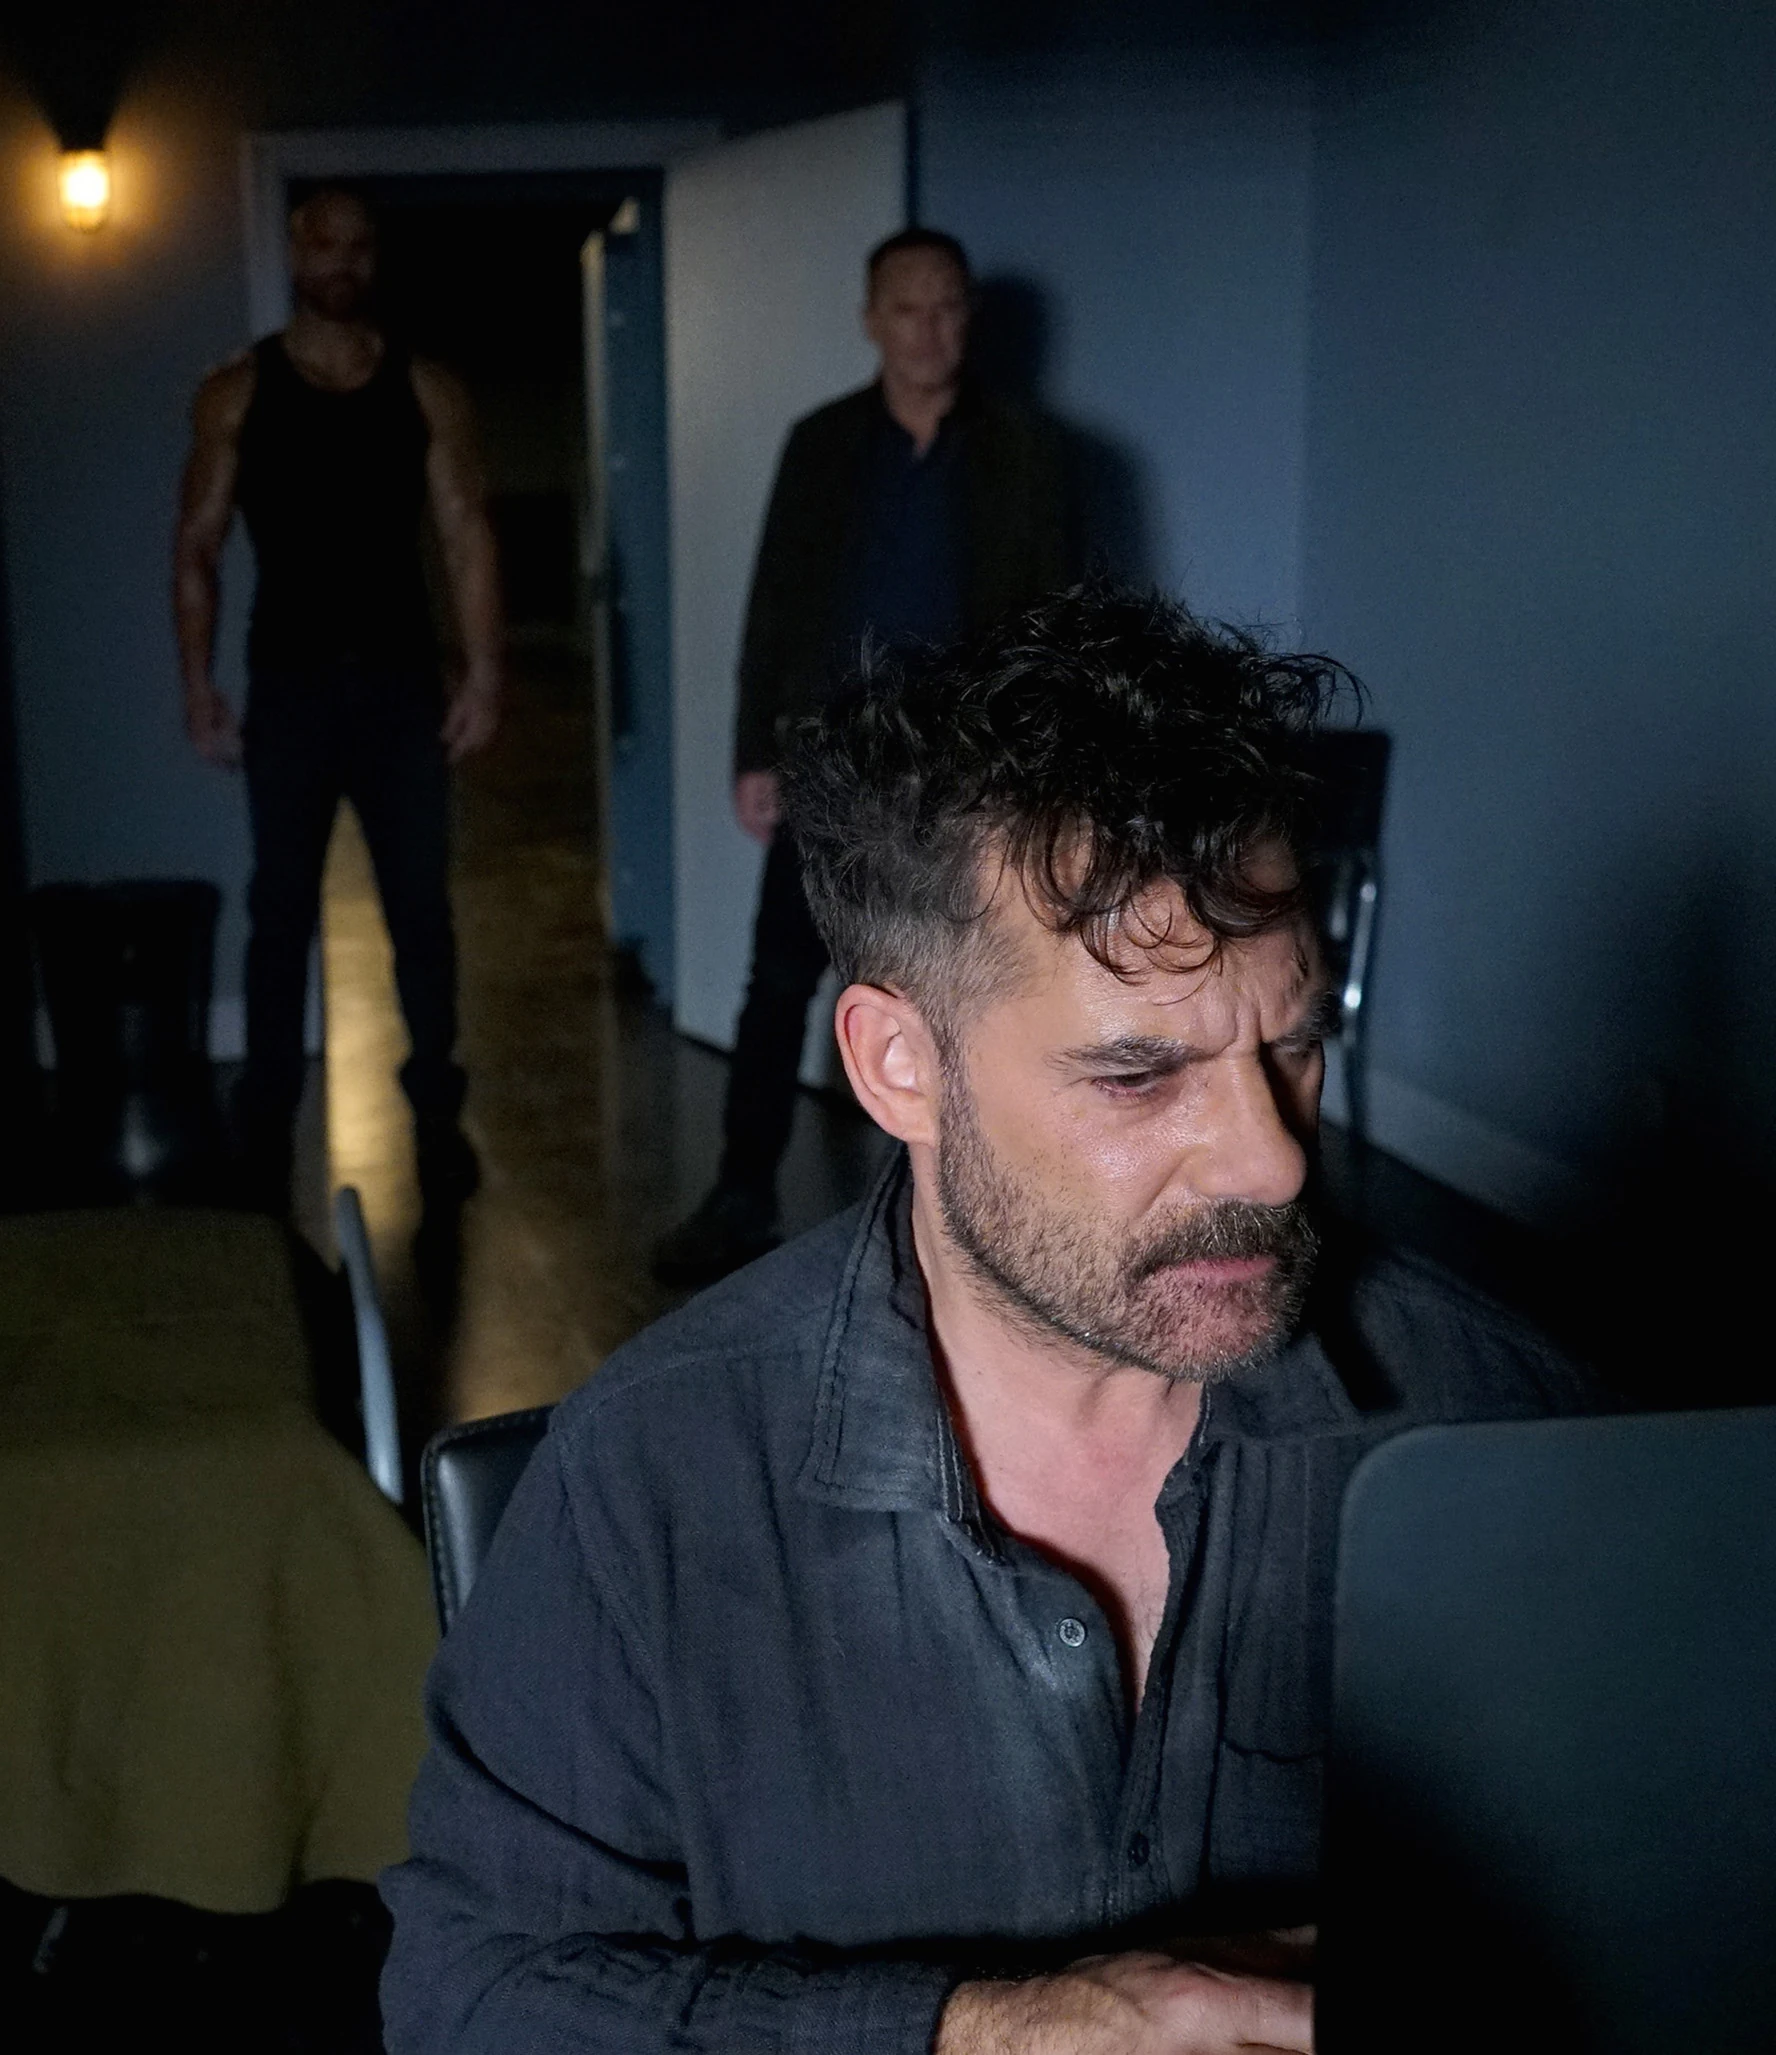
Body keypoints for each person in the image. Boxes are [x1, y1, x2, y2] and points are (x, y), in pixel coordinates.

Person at [382, 589, 1592, 2054]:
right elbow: (471, 1998)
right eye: (1139, 1075)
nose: (1271, 1162)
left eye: (1293, 1048)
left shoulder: (1501, 1422)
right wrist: (974, 2032)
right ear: (899, 1064)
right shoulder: (654, 1477)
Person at [654, 226, 1074, 1286]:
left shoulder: (1025, 449)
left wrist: (1041, 770)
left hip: (971, 771)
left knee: (963, 993)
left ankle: (971, 1220)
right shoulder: (823, 443)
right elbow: (775, 605)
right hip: (834, 760)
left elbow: (1062, 622)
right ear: (871, 321)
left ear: (968, 318)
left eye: (948, 307)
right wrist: (756, 749)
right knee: (778, 981)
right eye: (908, 309)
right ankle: (739, 1194)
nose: (930, 330)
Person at [172, 185, 502, 1209]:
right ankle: (265, 1123)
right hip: (291, 689)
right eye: (325, 241)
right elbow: (196, 547)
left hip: (403, 689)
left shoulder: (426, 388)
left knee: (421, 914)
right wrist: (197, 684)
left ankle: (436, 1120)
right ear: (296, 250)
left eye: (360, 244)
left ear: (373, 257)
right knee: (280, 914)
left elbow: (467, 534)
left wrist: (485, 670)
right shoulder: (236, 392)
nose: (343, 259)